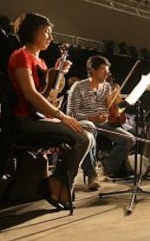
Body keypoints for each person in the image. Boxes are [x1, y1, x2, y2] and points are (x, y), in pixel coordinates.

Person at [7, 12, 94, 209]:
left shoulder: (41, 62)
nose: (50, 37)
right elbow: (30, 94)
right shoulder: (21, 56)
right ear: (32, 32)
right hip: (25, 120)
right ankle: (60, 184)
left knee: (89, 127)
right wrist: (62, 117)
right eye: (46, 32)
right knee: (84, 137)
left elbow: (46, 95)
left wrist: (58, 73)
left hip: (38, 118)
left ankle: (58, 182)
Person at [67, 55, 135, 180]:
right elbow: (71, 113)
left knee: (129, 139)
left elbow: (110, 109)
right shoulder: (78, 86)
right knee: (90, 128)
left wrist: (115, 112)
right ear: (93, 70)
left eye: (107, 69)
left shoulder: (107, 87)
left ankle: (104, 169)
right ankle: (92, 175)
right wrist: (92, 118)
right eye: (103, 69)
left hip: (102, 123)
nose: (107, 73)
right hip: (85, 122)